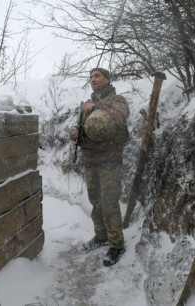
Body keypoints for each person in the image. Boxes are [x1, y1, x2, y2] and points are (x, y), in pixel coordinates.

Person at [70, 67, 130, 266]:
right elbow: (85, 130)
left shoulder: (118, 100)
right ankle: (101, 236)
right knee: (95, 201)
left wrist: (95, 108)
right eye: (91, 77)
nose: (93, 80)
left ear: (107, 79)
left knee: (109, 202)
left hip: (110, 161)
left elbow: (120, 118)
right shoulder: (88, 104)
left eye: (97, 76)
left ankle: (117, 245)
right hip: (90, 160)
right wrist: (76, 135)